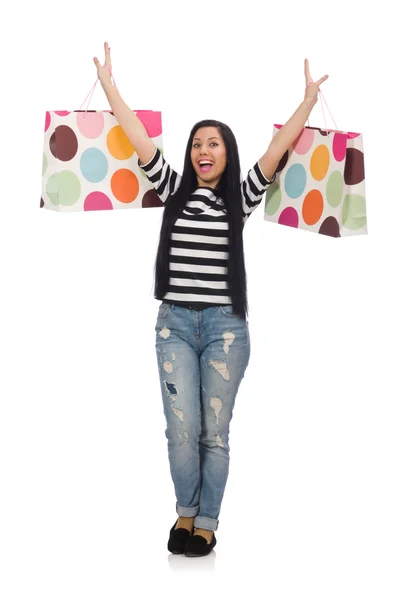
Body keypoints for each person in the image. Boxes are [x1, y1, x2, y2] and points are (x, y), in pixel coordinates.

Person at [94, 42, 328, 557]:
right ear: (189, 154)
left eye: (215, 144)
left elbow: (277, 150)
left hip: (225, 329)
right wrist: (110, 87)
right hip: (173, 325)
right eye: (198, 142)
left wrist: (308, 101)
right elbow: (137, 135)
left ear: (228, 154)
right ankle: (184, 514)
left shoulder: (239, 199)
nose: (204, 149)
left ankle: (207, 523)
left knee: (213, 434)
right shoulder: (171, 189)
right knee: (181, 432)